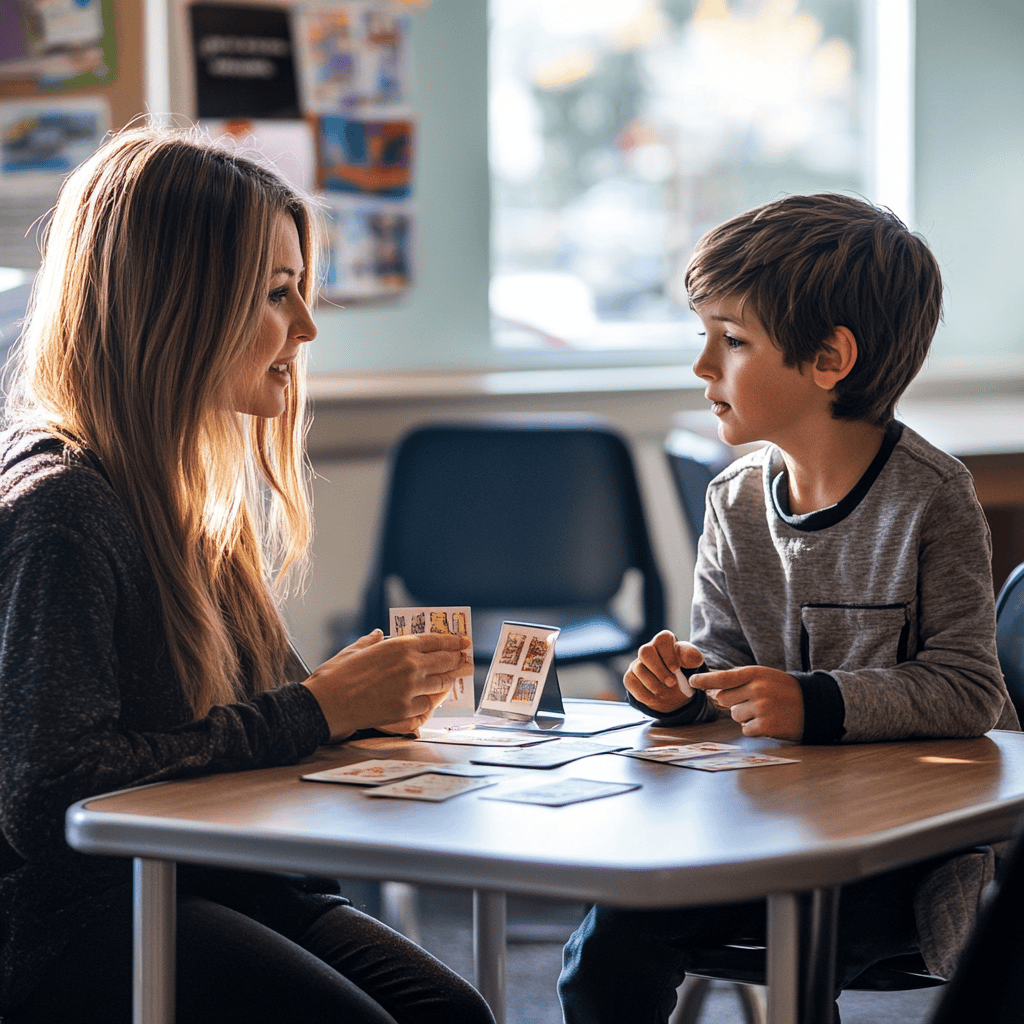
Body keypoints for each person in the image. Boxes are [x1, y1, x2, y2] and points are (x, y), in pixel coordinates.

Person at [0, 126, 495, 1024]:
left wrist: (353, 701)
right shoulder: (61, 510)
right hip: (77, 922)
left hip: (226, 881)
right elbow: (49, 793)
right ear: (177, 303)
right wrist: (316, 708)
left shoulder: (187, 499)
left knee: (451, 1016)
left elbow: (246, 722)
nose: (306, 327)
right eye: (278, 293)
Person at [558, 193, 1020, 1024]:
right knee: (606, 948)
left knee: (799, 951)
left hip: (903, 857)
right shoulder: (734, 498)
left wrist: (811, 701)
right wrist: (679, 690)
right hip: (759, 827)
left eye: (731, 341)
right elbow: (725, 669)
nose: (703, 366)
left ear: (829, 359)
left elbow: (967, 690)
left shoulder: (934, 497)